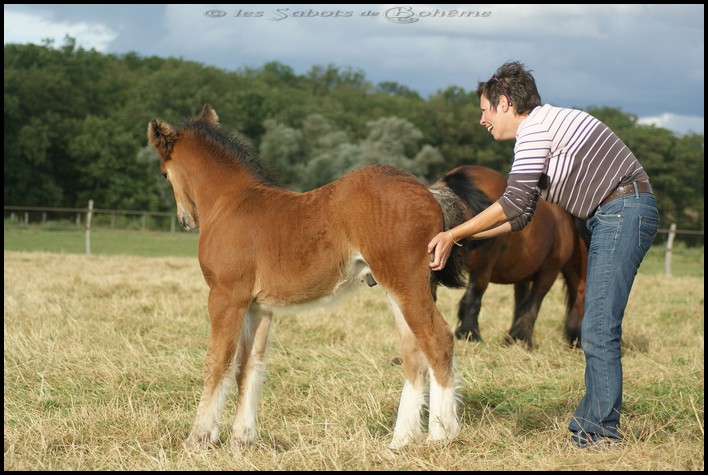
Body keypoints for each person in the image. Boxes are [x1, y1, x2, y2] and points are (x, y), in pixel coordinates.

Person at [428, 61, 659, 449]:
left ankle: (598, 434)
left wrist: (453, 232)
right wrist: (463, 240)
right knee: (598, 329)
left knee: (599, 329)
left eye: (484, 110)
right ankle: (593, 425)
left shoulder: (535, 127)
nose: (482, 119)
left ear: (504, 103)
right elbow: (520, 217)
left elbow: (513, 201)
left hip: (622, 211)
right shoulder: (543, 129)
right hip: (613, 213)